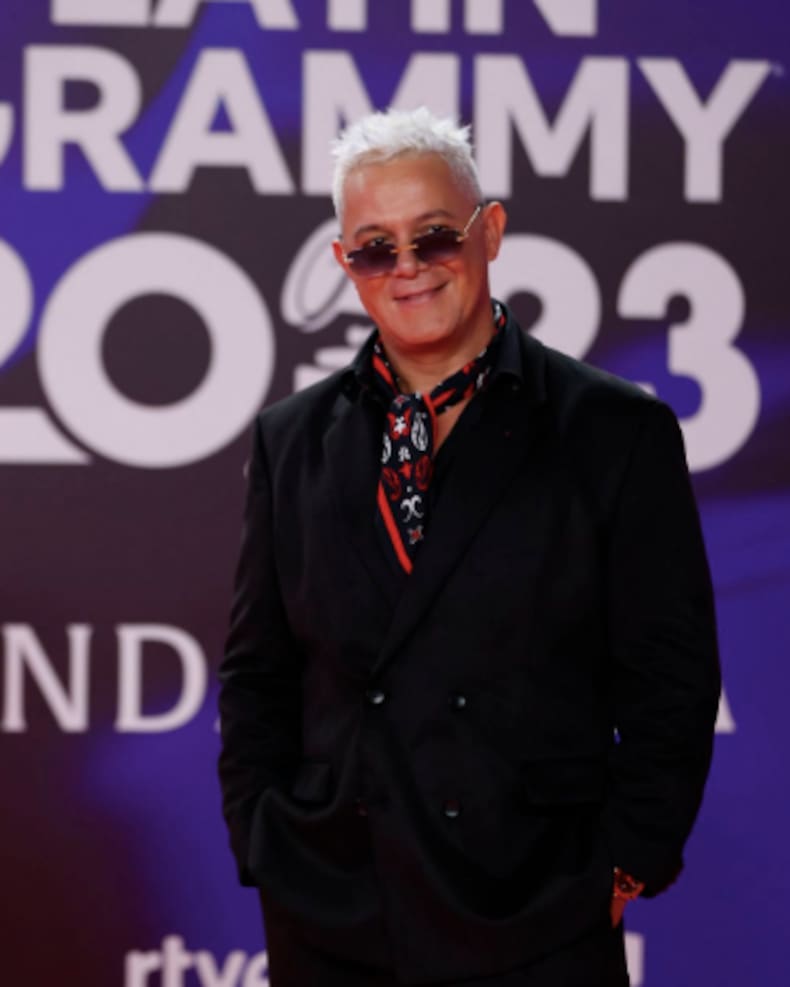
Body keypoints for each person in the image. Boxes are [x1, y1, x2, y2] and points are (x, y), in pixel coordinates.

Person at [217, 106, 720, 986]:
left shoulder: (613, 431)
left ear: (489, 231)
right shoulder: (289, 441)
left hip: (539, 912)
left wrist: (627, 861)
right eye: (376, 247)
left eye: (435, 235)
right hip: (337, 912)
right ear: (344, 264)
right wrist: (266, 837)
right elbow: (259, 672)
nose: (407, 267)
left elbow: (670, 676)